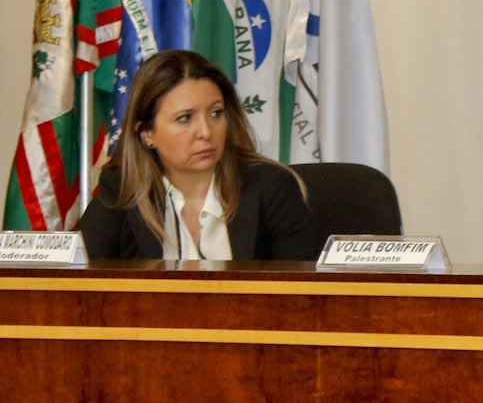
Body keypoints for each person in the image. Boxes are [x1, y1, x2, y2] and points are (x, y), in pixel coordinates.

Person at [79, 49, 323, 261]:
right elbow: (80, 277)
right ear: (146, 133)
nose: (206, 132)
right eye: (185, 118)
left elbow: (306, 287)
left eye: (216, 113)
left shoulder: (270, 186)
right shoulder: (122, 190)